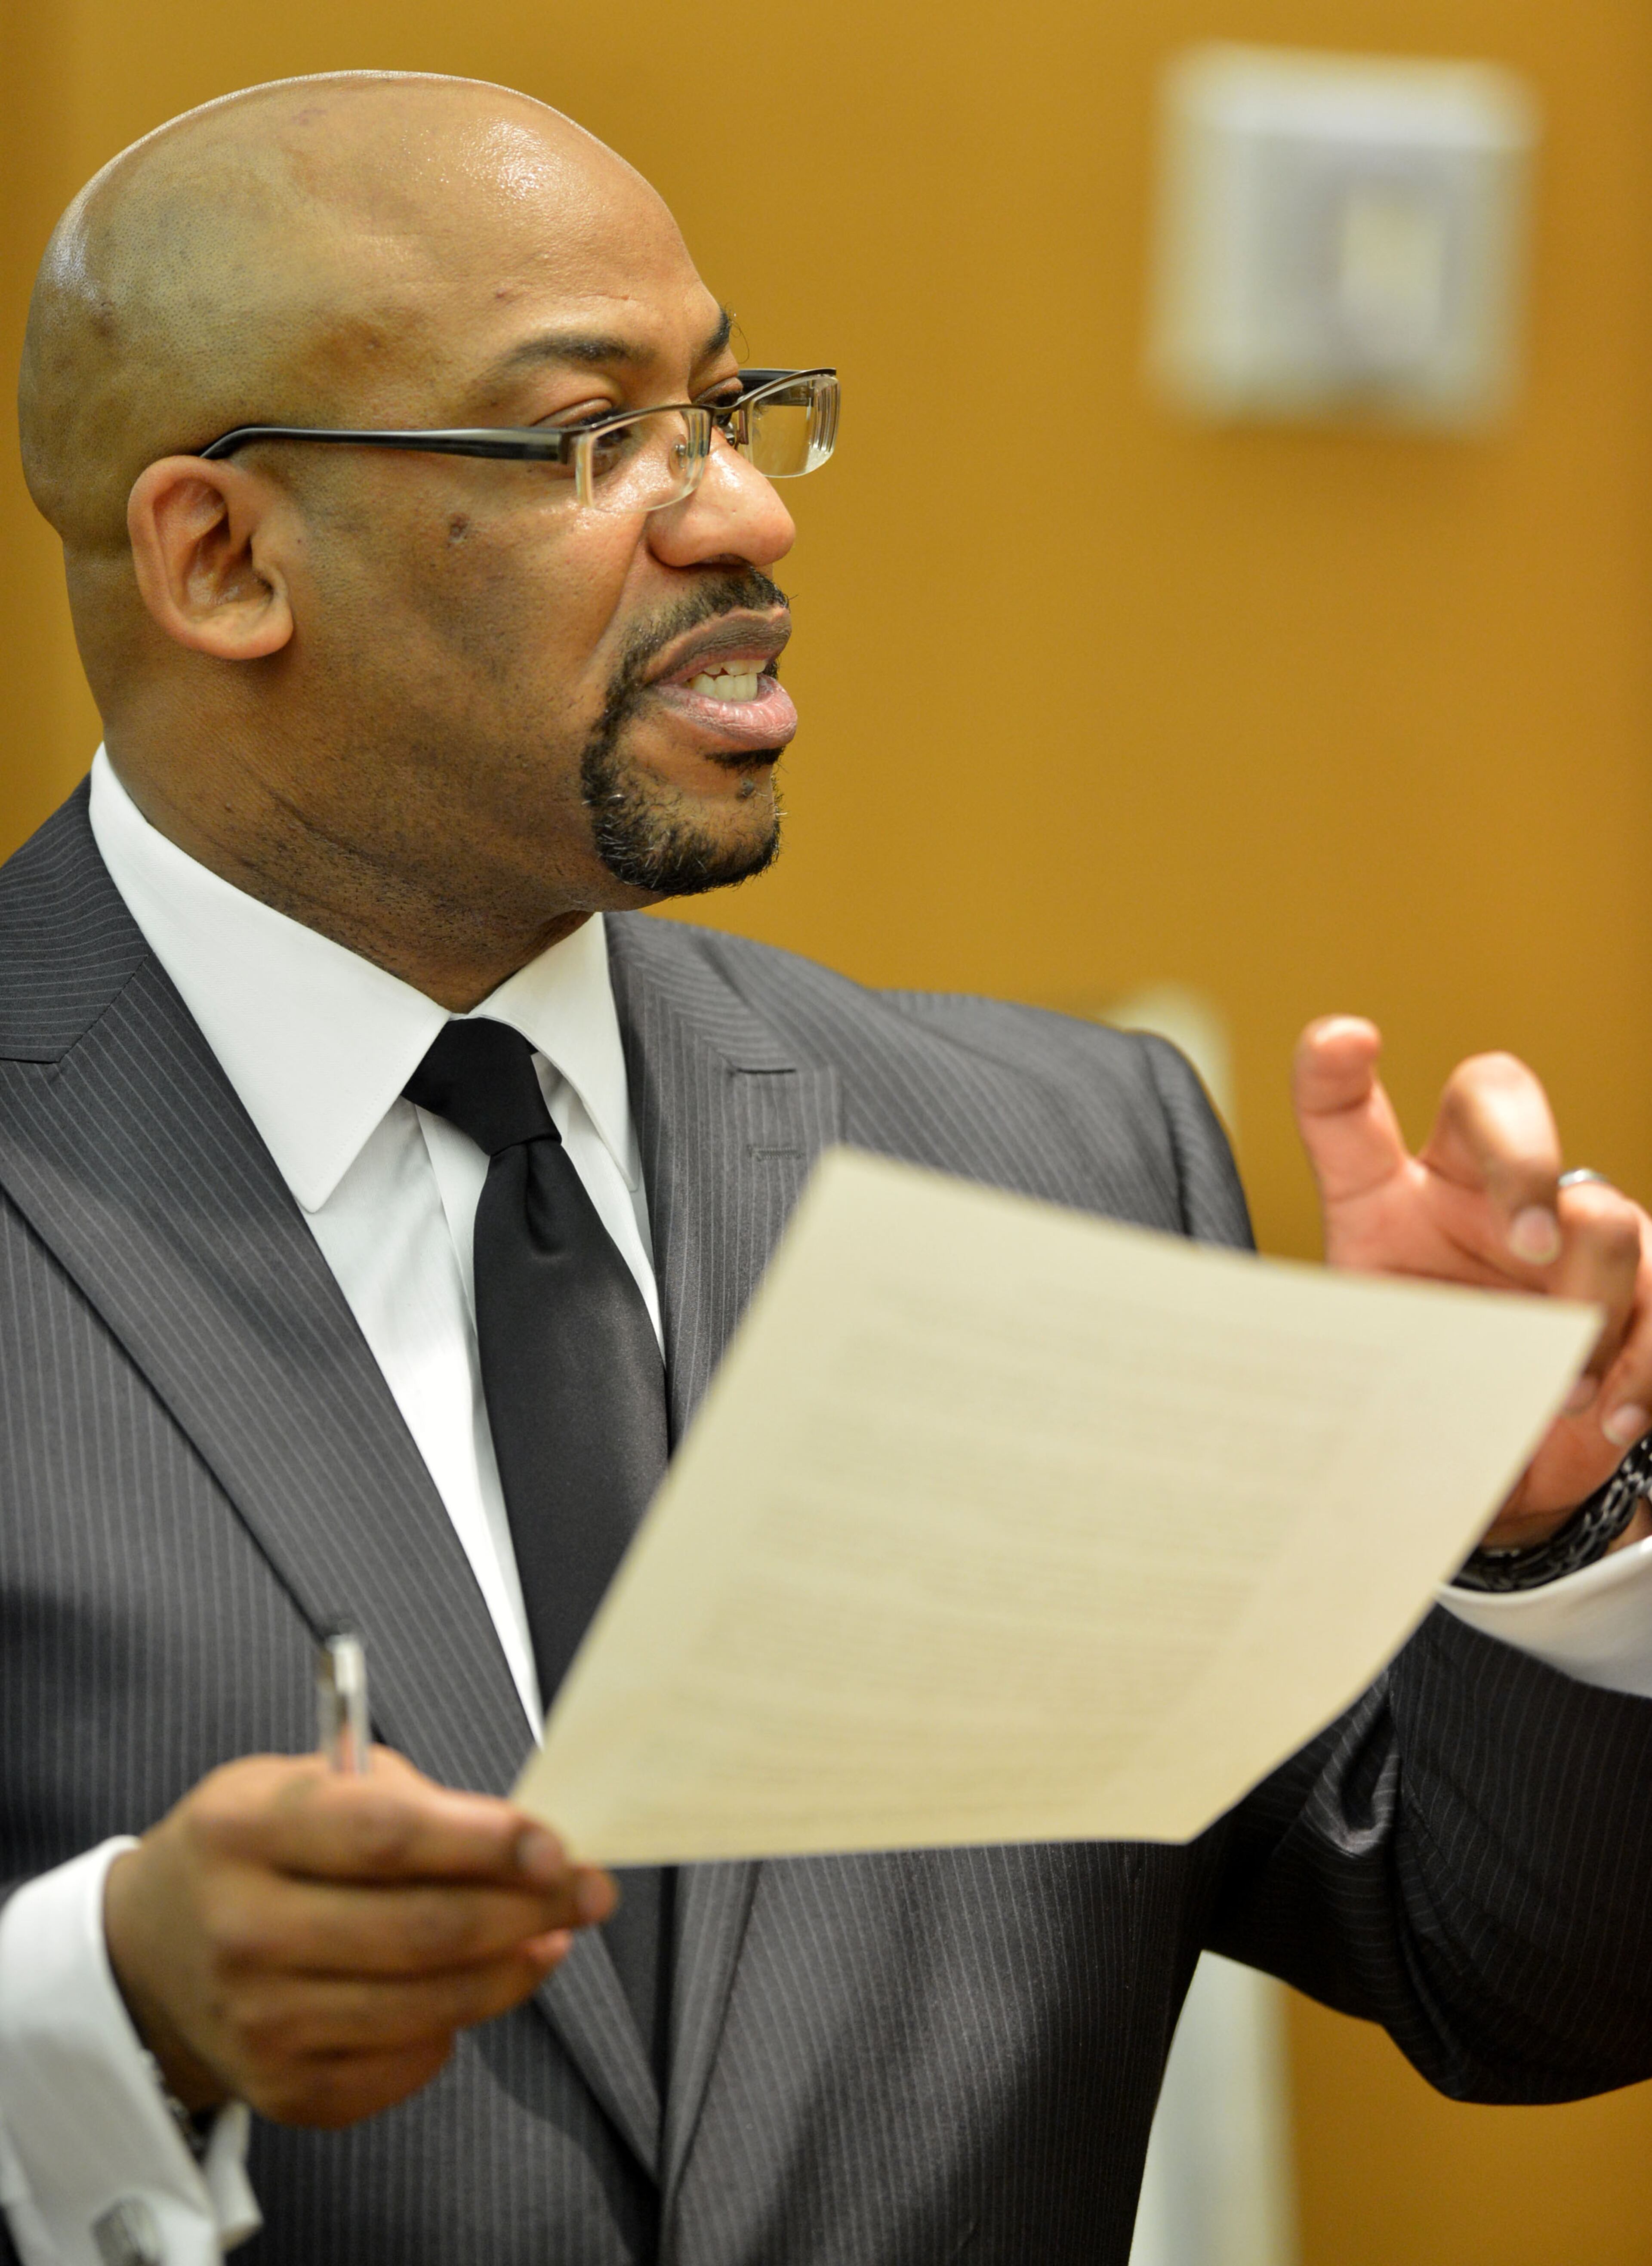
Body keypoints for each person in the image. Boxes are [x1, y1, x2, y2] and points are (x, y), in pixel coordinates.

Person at [3, 68, 1652, 2266]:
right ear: (223, 558)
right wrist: (105, 2013)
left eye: (728, 408)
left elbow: (1521, 1980)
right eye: (593, 436)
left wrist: (1538, 1537)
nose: (744, 519)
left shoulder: (1058, 1163)